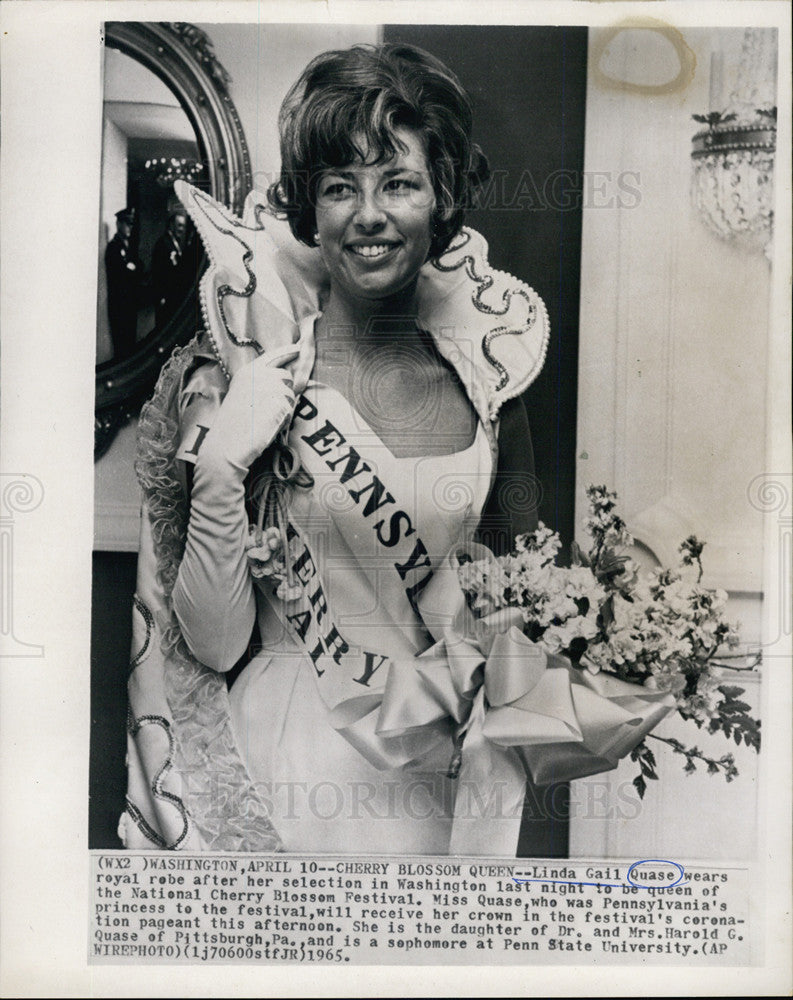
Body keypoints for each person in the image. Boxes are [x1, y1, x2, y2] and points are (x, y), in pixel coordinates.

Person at [122, 44, 549, 855]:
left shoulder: (492, 390)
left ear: (442, 197)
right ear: (308, 212)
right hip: (282, 761)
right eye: (337, 187)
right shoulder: (245, 374)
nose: (368, 214)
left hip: (429, 776)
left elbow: (517, 615)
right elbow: (210, 645)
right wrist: (217, 471)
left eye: (399, 182)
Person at [104, 207, 142, 360]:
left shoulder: (128, 247)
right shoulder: (113, 247)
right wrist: (130, 269)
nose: (130, 228)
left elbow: (139, 266)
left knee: (130, 344)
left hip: (129, 303)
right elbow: (119, 274)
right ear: (119, 224)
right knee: (121, 347)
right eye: (127, 224)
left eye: (131, 224)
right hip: (119, 304)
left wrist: (131, 268)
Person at [151, 211, 191, 329]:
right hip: (165, 298)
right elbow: (158, 272)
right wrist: (160, 296)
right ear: (171, 225)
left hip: (173, 297)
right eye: (179, 225)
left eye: (183, 226)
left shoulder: (176, 244)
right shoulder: (163, 244)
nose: (182, 229)